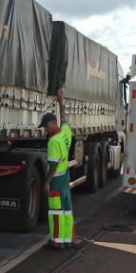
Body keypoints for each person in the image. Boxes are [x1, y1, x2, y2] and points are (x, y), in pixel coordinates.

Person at [39, 89, 77, 250]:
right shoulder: (65, 133)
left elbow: (53, 165)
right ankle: (68, 240)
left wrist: (47, 183)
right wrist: (61, 102)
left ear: (53, 124)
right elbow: (65, 119)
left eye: (46, 126)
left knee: (55, 212)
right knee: (67, 211)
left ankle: (57, 241)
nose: (45, 129)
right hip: (65, 178)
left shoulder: (53, 141)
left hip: (56, 179)